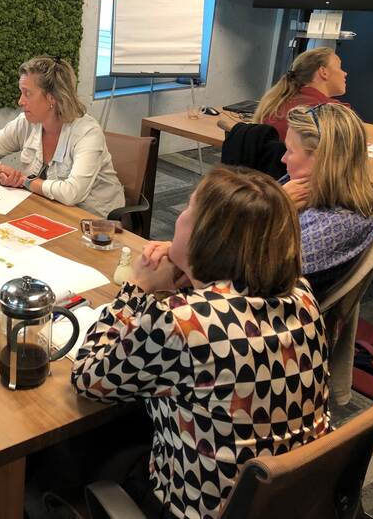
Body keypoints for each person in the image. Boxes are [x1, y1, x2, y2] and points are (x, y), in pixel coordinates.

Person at [72, 166, 330, 519]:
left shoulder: (183, 320)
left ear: (205, 236)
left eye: (188, 208)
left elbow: (88, 378)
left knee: (82, 448)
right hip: (292, 499)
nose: (178, 216)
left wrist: (137, 288)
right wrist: (191, 266)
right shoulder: (302, 295)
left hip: (194, 507)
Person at [0, 56, 124, 217]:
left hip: (95, 219)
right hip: (48, 209)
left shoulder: (87, 132)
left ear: (52, 98)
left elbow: (72, 193)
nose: (20, 101)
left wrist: (24, 181)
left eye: (27, 93)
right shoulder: (27, 123)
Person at [280, 103, 373, 298]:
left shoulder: (342, 223)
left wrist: (276, 208)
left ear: (320, 158)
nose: (283, 158)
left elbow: (260, 271)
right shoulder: (297, 187)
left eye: (290, 151)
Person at [253, 46, 348, 141]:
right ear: (323, 72)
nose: (345, 73)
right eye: (339, 67)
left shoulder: (278, 103)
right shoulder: (333, 112)